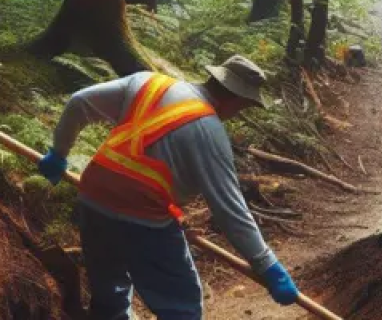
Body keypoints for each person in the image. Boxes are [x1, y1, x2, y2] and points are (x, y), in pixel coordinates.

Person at [38, 55, 299, 319]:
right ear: (236, 100)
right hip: (143, 222)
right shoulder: (208, 131)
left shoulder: (148, 83)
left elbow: (79, 101)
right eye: (244, 107)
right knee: (181, 305)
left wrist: (58, 153)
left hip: (93, 200)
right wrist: (267, 265)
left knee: (109, 291)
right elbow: (229, 209)